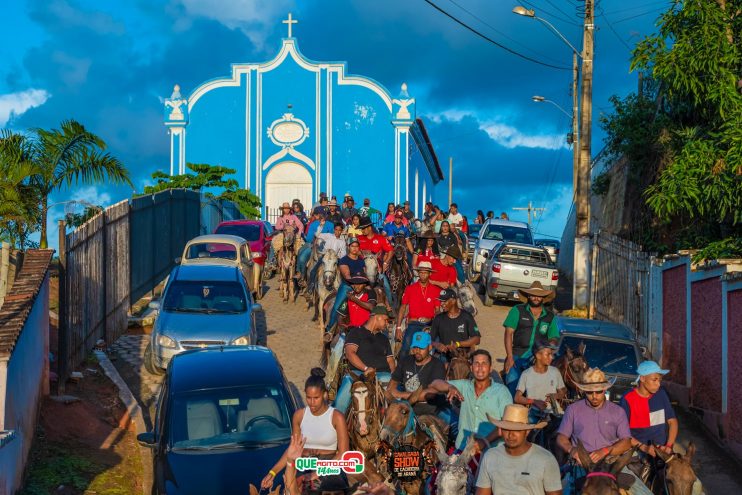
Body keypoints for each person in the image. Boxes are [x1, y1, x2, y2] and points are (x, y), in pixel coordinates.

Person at [556, 368, 651, 495]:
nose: (594, 396)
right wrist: (572, 450)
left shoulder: (618, 412)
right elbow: (561, 437)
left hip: (612, 463)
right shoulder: (573, 410)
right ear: (584, 391)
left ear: (605, 389)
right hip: (581, 462)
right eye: (590, 392)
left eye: (599, 392)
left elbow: (626, 442)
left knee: (644, 493)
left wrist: (605, 450)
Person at [261, 368, 349, 491]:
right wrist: (272, 473)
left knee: (316, 487)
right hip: (303, 465)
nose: (312, 403)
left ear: (324, 394)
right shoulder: (299, 415)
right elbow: (292, 449)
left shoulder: (336, 417)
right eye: (308, 397)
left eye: (316, 398)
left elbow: (343, 453)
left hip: (329, 465)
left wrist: (317, 473)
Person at [426, 350, 513, 450]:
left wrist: (484, 442)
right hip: (463, 449)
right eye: (476, 363)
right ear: (471, 368)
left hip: (491, 451)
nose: (480, 367)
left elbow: (507, 424)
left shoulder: (502, 392)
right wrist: (449, 387)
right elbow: (434, 383)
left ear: (490, 369)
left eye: (484, 363)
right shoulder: (464, 386)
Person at [475, 404, 563, 495]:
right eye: (507, 429)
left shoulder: (545, 459)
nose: (511, 435)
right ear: (500, 430)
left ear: (527, 431)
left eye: (517, 430)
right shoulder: (490, 457)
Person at [334, 305, 396, 414]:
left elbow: (390, 360)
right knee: (341, 401)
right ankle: (338, 424)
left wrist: (394, 376)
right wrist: (366, 368)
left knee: (399, 404)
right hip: (359, 374)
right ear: (377, 317)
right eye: (386, 320)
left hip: (383, 375)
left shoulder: (384, 339)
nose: (387, 324)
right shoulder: (356, 333)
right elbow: (350, 353)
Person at [502, 282, 559, 396]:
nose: (536, 298)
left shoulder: (550, 316)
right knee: (512, 386)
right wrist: (509, 357)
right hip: (518, 355)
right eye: (533, 294)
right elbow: (508, 333)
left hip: (538, 358)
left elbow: (553, 337)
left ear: (543, 298)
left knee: (544, 390)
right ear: (528, 296)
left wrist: (548, 348)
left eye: (539, 295)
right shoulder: (517, 310)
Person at [619, 361, 678, 456]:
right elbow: (623, 433)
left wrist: (669, 446)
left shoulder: (661, 394)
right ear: (642, 378)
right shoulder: (627, 399)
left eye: (659, 380)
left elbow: (672, 421)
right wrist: (644, 448)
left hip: (661, 449)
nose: (658, 384)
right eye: (654, 380)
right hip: (636, 449)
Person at [386, 331, 446, 416]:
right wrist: (392, 391)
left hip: (429, 409)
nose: (417, 351)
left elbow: (431, 394)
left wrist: (400, 394)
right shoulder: (406, 360)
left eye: (421, 348)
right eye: (415, 347)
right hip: (406, 407)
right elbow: (392, 384)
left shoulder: (437, 365)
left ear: (430, 347)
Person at [395, 261, 441, 359]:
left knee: (438, 347)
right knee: (406, 347)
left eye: (425, 272)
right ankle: (401, 370)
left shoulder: (436, 290)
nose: (423, 275)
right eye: (421, 272)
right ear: (418, 273)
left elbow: (437, 310)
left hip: (430, 324)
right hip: (413, 323)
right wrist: (398, 328)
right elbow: (403, 307)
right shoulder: (410, 289)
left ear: (430, 274)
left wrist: (435, 322)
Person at [514, 340, 567, 422]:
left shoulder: (555, 371)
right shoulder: (526, 374)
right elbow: (517, 398)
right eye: (548, 355)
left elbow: (563, 391)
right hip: (534, 415)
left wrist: (555, 396)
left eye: (552, 354)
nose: (552, 357)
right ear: (538, 355)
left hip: (554, 413)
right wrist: (534, 401)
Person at [324, 238, 366, 336]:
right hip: (347, 287)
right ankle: (329, 330)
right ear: (348, 247)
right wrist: (355, 285)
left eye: (356, 246)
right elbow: (346, 274)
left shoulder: (361, 261)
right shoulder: (344, 260)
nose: (355, 249)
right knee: (337, 307)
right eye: (352, 246)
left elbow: (364, 273)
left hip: (360, 287)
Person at [430, 288, 480, 361]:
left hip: (462, 356)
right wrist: (436, 344)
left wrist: (458, 344)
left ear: (453, 301)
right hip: (444, 356)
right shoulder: (438, 318)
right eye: (441, 301)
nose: (441, 304)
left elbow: (477, 339)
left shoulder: (467, 317)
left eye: (444, 301)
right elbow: (429, 339)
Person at [358, 217, 394, 303]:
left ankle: (390, 307)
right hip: (361, 270)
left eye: (363, 228)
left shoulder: (380, 238)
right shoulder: (359, 238)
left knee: (386, 286)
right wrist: (361, 253)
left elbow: (391, 251)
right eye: (361, 228)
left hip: (377, 270)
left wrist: (385, 263)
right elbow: (354, 251)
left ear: (369, 227)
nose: (362, 230)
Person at [297, 212, 334, 281]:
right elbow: (309, 239)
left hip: (327, 247)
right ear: (317, 215)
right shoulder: (313, 224)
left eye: (324, 215)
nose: (322, 217)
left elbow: (332, 237)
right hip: (313, 245)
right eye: (320, 215)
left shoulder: (331, 225)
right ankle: (302, 276)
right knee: (302, 258)